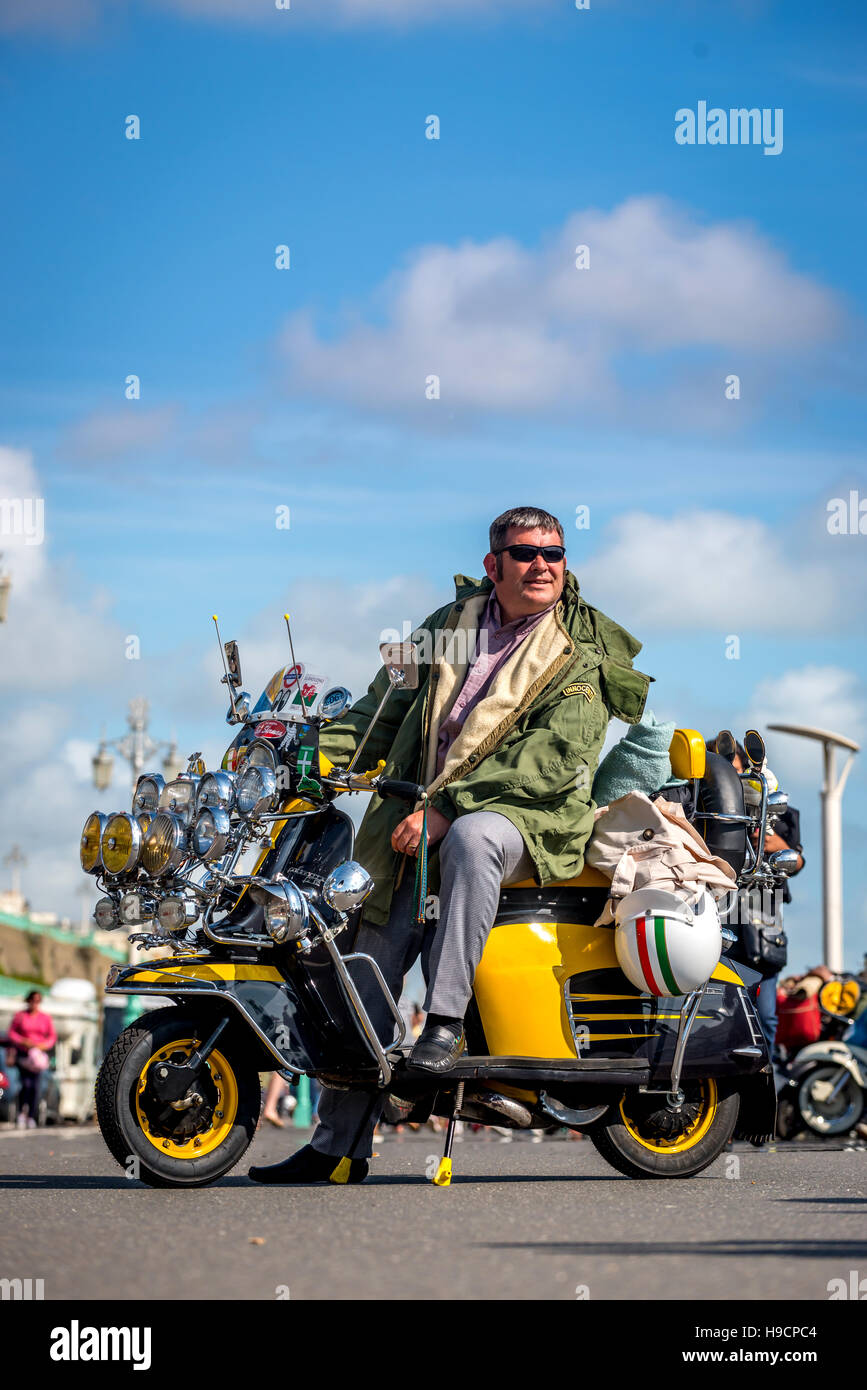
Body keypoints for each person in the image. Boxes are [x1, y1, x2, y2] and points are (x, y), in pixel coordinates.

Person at [249, 505, 651, 1185]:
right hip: (408, 824)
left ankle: (442, 1023)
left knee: (472, 837)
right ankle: (337, 1146)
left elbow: (555, 759)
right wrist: (300, 762)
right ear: (493, 565)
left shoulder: (577, 649)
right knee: (364, 961)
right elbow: (379, 711)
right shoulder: (446, 627)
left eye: (553, 553)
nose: (542, 566)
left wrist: (447, 808)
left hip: (525, 822)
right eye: (525, 554)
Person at [707, 738, 804, 1057]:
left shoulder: (781, 811)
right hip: (721, 914)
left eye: (737, 770)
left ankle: (767, 1091)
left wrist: (761, 831)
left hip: (765, 918)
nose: (733, 778)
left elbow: (797, 860)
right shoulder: (703, 806)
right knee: (715, 1012)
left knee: (766, 1018)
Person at [8, 990, 56, 1128]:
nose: (35, 1004)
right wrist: (22, 1041)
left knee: (35, 1086)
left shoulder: (45, 1018)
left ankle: (31, 1115)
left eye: (37, 1001)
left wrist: (43, 1045)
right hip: (23, 1055)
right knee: (25, 1084)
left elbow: (52, 1037)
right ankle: (21, 1112)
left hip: (37, 1057)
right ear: (28, 1001)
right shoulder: (20, 1016)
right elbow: (11, 1033)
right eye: (32, 1000)